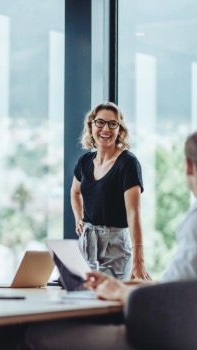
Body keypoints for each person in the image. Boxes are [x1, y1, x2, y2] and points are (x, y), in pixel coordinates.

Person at [24, 126, 197, 350]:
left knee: (37, 335)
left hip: (168, 339)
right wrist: (122, 286)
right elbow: (187, 284)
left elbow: (172, 298)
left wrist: (119, 292)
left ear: (189, 167)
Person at [71, 102, 150, 280]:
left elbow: (134, 214)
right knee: (84, 300)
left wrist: (139, 260)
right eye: (100, 122)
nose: (105, 129)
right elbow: (75, 192)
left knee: (112, 303)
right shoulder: (84, 161)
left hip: (115, 246)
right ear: (91, 126)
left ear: (119, 130)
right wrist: (79, 218)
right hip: (86, 242)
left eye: (112, 124)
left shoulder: (128, 163)